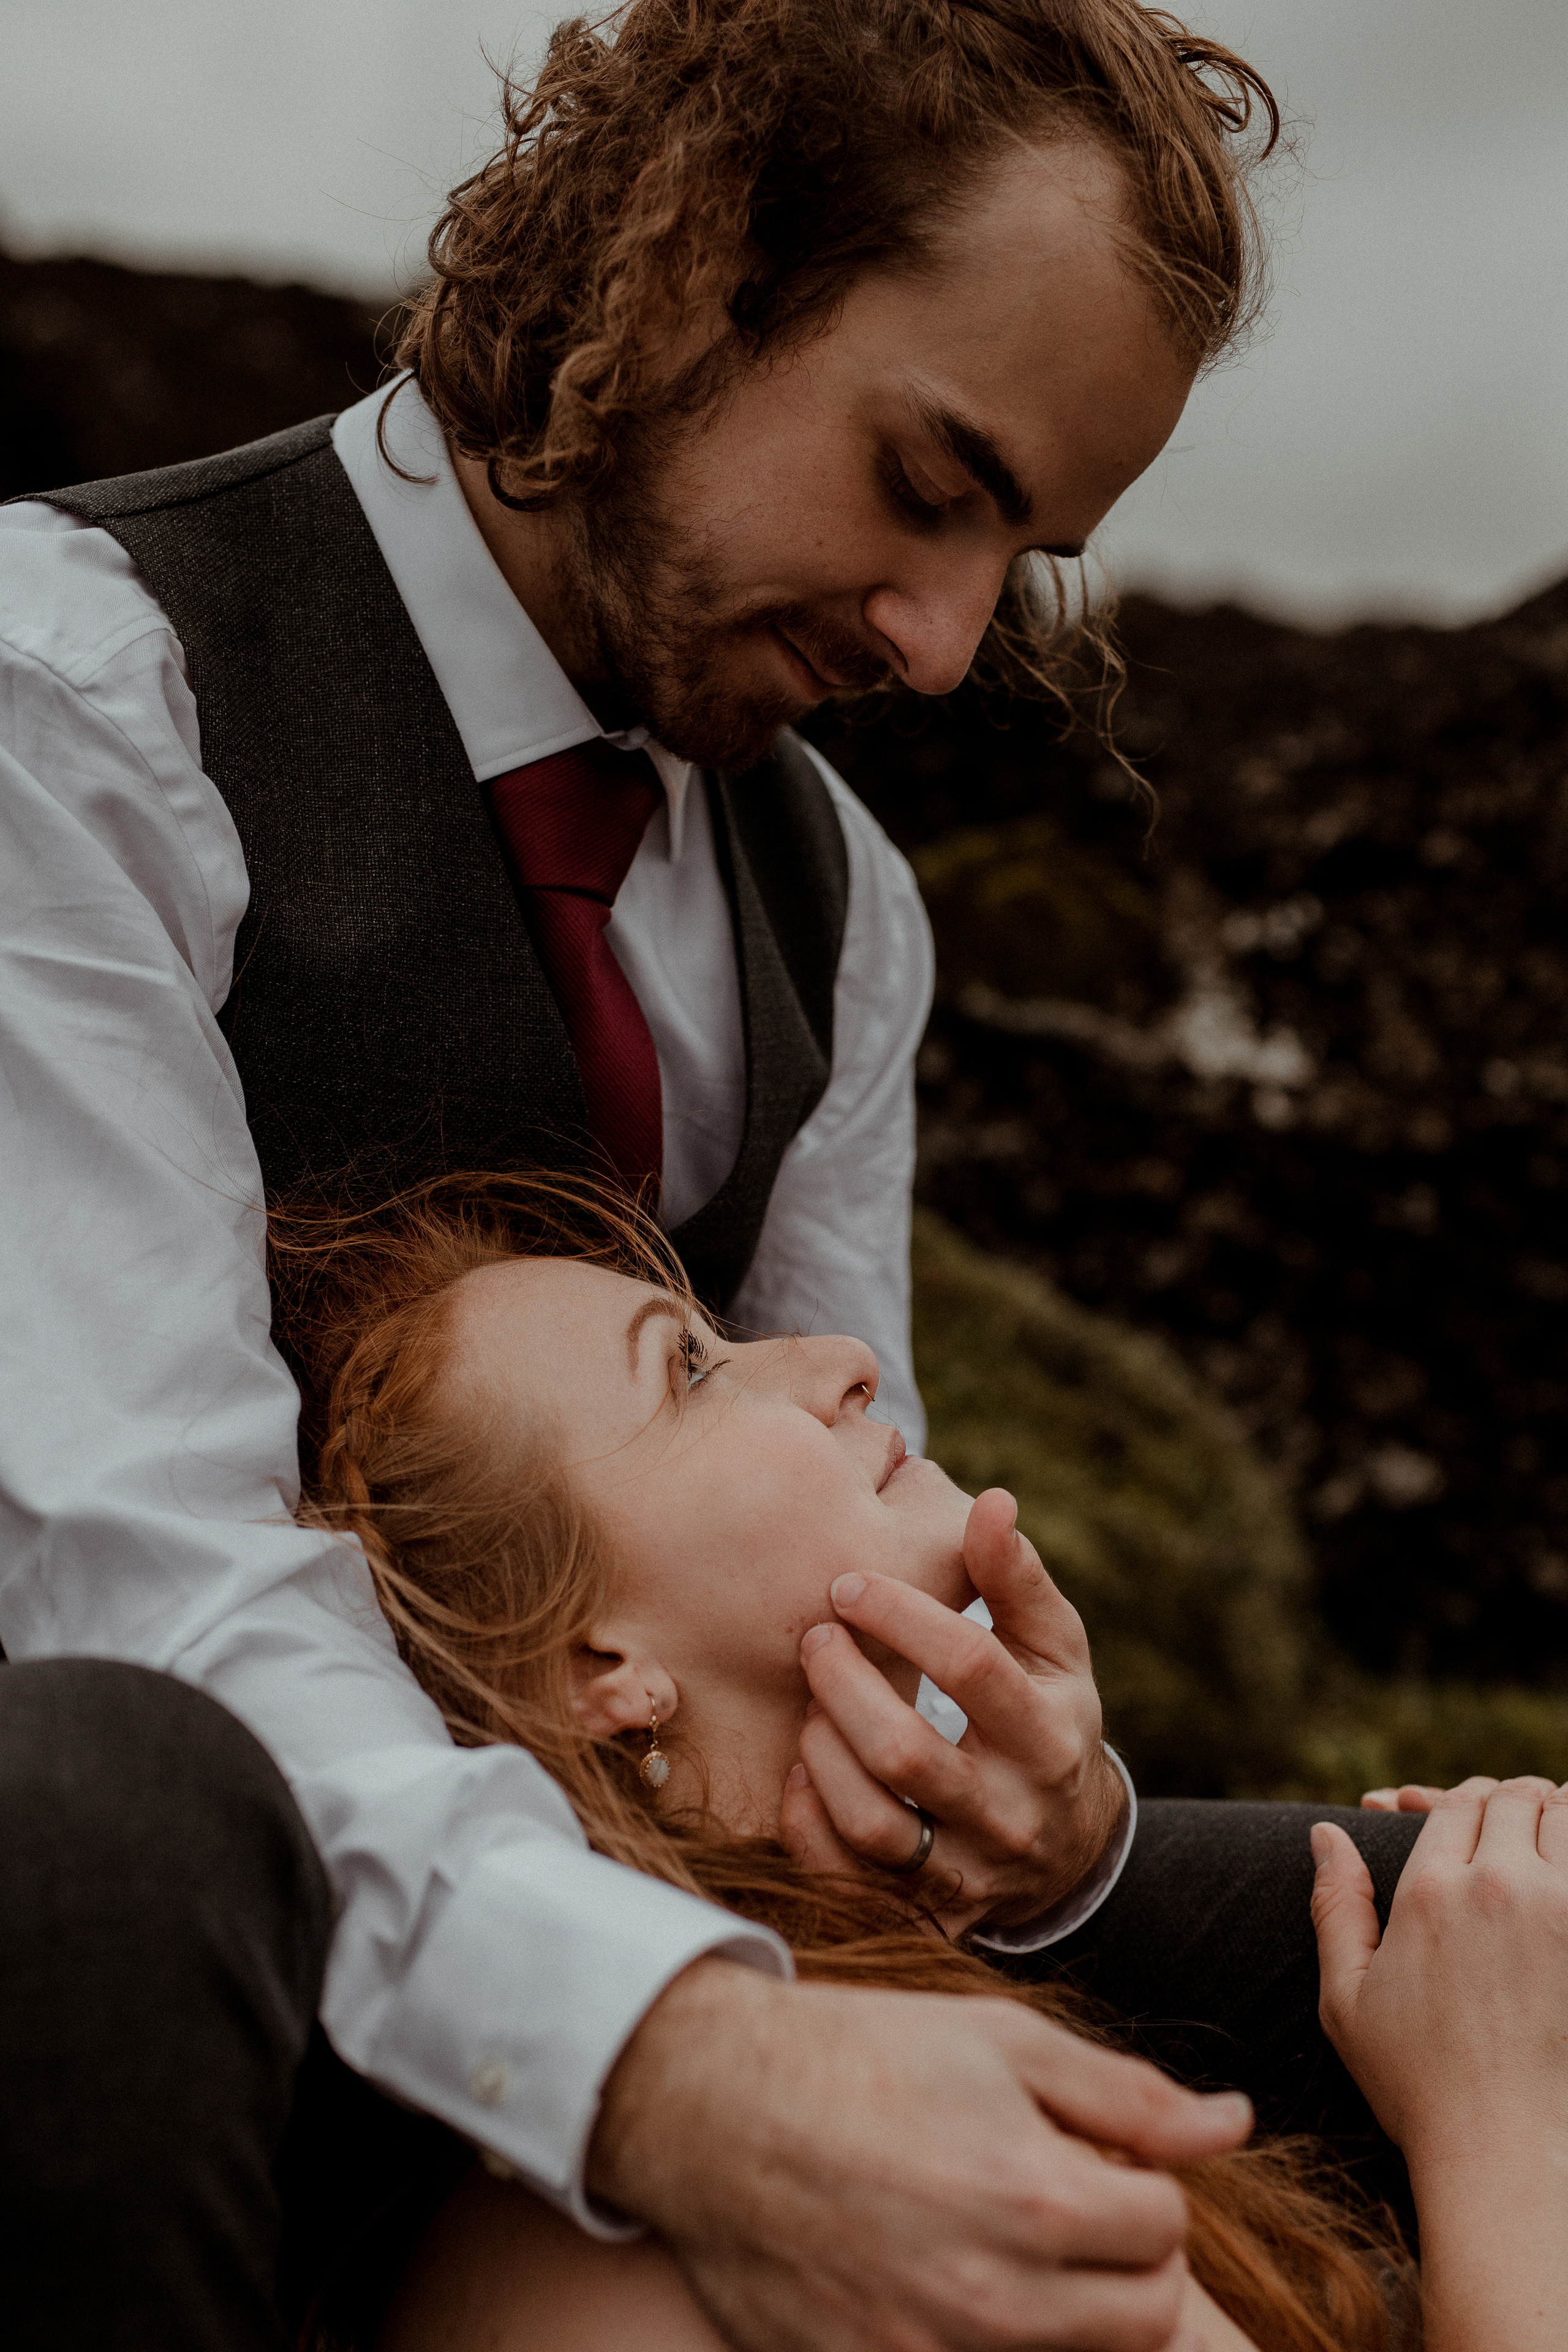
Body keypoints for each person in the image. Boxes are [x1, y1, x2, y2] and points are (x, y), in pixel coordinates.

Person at [0, 4, 1424, 2347]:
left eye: (1023, 553)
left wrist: (1027, 1803)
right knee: (103, 1811)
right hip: (156, 1963)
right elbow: (135, 1572)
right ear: (690, 273)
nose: (947, 639)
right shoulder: (76, 696)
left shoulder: (845, 909)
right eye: (928, 477)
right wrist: (684, 2062)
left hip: (658, 1863)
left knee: (1452, 1924)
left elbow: (851, 1524)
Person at [266, 1168, 1429, 2351]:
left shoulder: (866, 2016)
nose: (849, 1357)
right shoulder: (867, 2187)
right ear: (598, 1663)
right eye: (691, 1370)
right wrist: (1497, 2113)